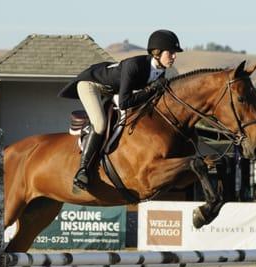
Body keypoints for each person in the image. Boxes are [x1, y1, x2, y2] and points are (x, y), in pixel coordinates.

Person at [59, 29, 183, 192]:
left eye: (175, 53)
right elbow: (125, 102)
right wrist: (150, 90)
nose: (174, 56)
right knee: (101, 123)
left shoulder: (160, 71)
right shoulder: (135, 66)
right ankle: (83, 170)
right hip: (91, 85)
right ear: (157, 52)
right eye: (171, 52)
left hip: (112, 90)